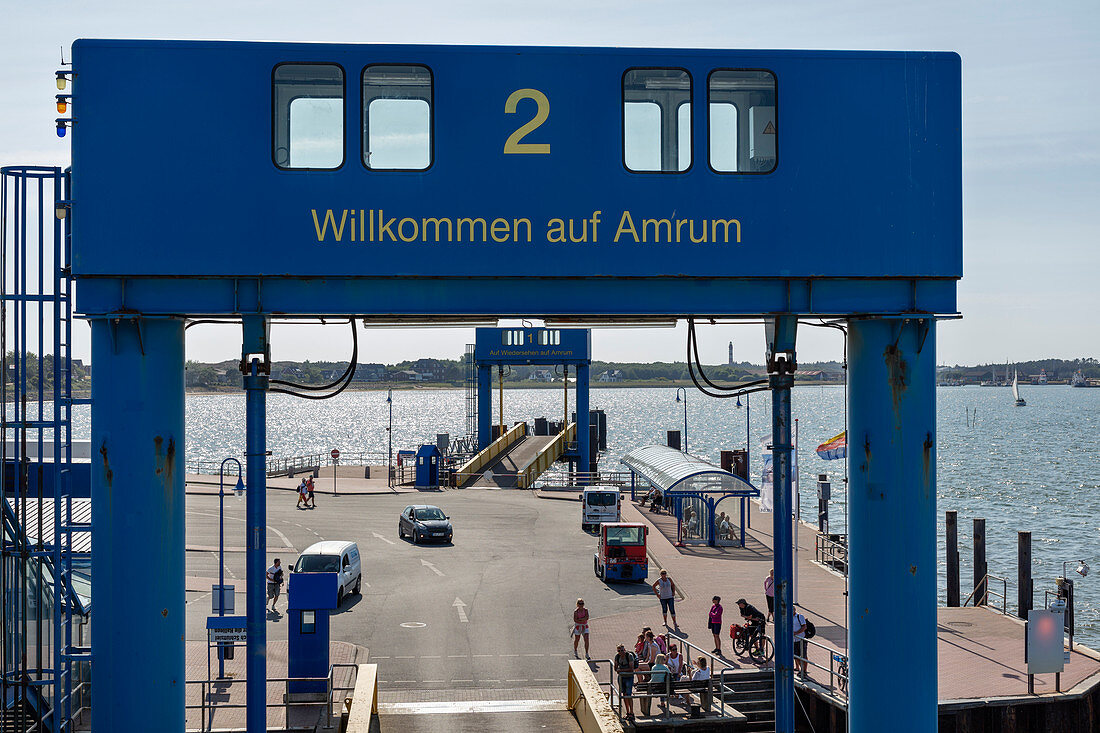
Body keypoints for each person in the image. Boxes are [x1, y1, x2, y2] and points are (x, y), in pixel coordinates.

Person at [614, 643, 638, 719]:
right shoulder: (617, 657)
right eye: (619, 651)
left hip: (629, 678)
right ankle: (627, 712)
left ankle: (632, 712)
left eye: (622, 650)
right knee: (624, 695)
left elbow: (631, 669)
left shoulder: (629, 656)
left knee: (629, 694)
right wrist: (619, 669)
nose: (621, 652)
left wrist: (621, 670)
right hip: (621, 678)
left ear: (624, 649)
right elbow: (615, 668)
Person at [793, 610, 808, 676]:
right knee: (796, 656)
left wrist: (796, 633)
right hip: (794, 640)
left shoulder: (800, 616)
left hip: (801, 639)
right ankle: (800, 669)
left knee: (803, 655)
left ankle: (804, 670)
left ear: (794, 610)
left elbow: (804, 626)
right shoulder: (789, 617)